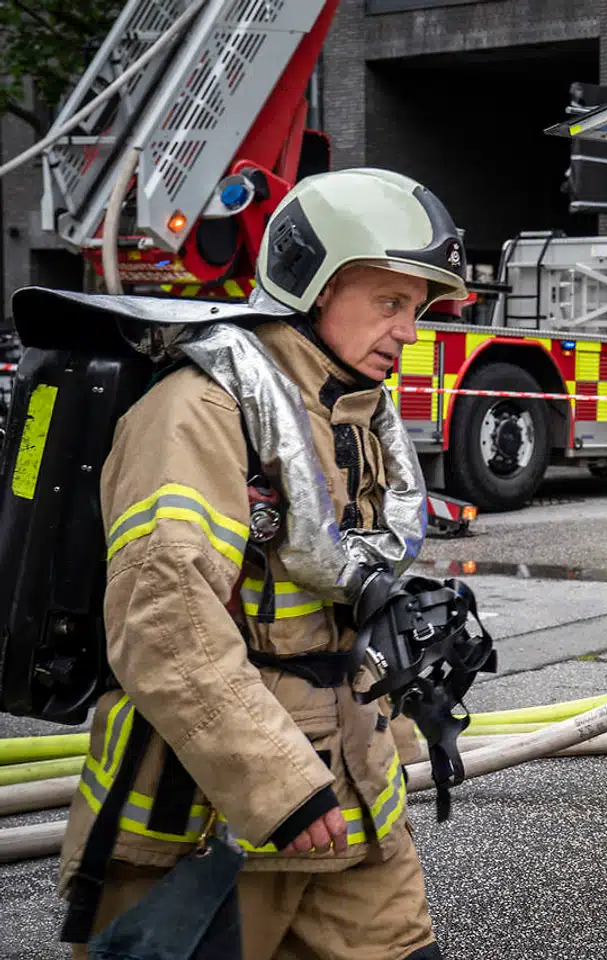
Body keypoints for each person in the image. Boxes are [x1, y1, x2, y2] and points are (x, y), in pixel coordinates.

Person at [55, 168, 471, 959]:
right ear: (312, 285)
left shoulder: (350, 416)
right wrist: (278, 790)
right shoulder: (197, 414)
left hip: (354, 808)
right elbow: (165, 622)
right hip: (206, 825)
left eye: (417, 309)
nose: (410, 330)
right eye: (390, 302)